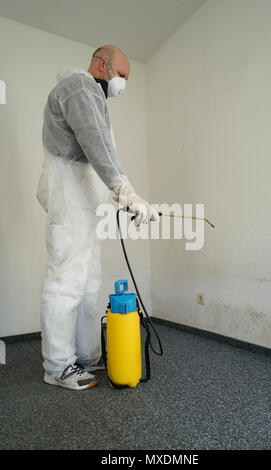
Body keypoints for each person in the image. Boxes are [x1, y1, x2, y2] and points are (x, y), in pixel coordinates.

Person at [36, 44, 159, 390]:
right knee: (65, 282)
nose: (122, 83)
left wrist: (118, 197)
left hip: (84, 204)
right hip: (69, 199)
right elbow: (96, 143)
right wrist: (125, 190)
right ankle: (58, 366)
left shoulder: (93, 97)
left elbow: (97, 150)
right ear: (103, 64)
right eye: (121, 75)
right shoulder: (78, 87)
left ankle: (87, 357)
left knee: (89, 284)